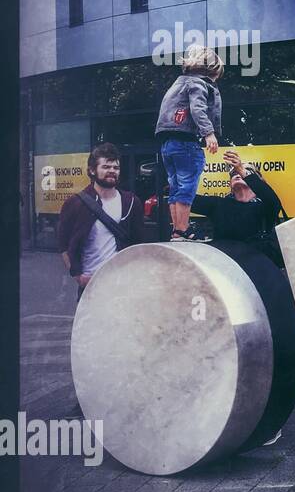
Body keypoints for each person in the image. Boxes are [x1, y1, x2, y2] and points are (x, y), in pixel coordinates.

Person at [56, 142, 147, 300]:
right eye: (106, 167)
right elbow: (63, 245)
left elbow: (138, 244)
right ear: (92, 170)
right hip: (91, 284)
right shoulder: (76, 203)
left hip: (123, 284)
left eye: (115, 168)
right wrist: (77, 276)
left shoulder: (131, 202)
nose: (112, 171)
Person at [155, 45, 223, 240]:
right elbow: (198, 108)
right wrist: (209, 133)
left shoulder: (178, 83)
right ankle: (183, 230)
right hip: (186, 142)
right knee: (187, 186)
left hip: (168, 143)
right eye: (217, 75)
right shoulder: (199, 83)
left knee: (175, 185)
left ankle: (176, 230)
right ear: (211, 70)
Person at [190, 150, 287, 268]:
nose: (237, 174)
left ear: (259, 181)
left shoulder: (264, 207)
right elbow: (187, 200)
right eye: (233, 173)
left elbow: (273, 201)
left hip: (256, 268)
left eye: (246, 171)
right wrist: (170, 190)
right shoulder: (219, 204)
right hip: (226, 267)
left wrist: (241, 169)